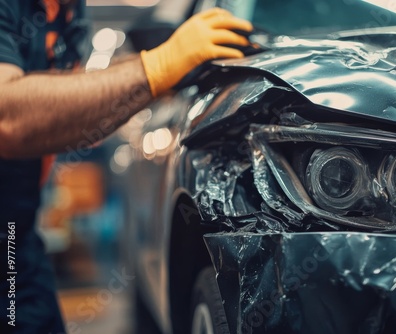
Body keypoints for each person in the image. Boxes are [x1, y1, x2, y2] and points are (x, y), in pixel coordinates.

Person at [0, 0, 253, 332]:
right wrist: (158, 66)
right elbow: (8, 117)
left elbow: (65, 105)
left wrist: (149, 81)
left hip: (17, 233)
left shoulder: (67, 10)